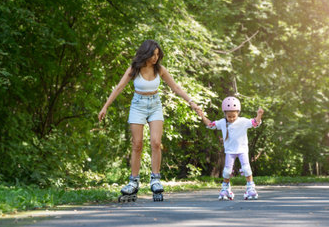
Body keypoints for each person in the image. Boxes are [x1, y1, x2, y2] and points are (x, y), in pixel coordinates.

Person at [98, 39, 201, 202]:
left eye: (157, 55)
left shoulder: (159, 69)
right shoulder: (134, 69)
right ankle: (133, 181)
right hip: (137, 106)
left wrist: (192, 103)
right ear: (145, 53)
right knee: (137, 144)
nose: (155, 58)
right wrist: (105, 106)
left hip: (155, 105)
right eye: (153, 54)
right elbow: (119, 87)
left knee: (156, 142)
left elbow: (176, 88)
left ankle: (155, 179)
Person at [197, 96, 264, 200]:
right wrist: (202, 116)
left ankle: (250, 188)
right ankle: (225, 189)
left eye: (234, 116)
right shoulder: (222, 122)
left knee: (246, 169)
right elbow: (210, 125)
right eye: (229, 116)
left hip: (242, 150)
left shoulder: (243, 121)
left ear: (238, 113)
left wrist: (259, 115)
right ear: (225, 114)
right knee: (227, 171)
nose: (232, 118)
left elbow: (255, 123)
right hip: (230, 151)